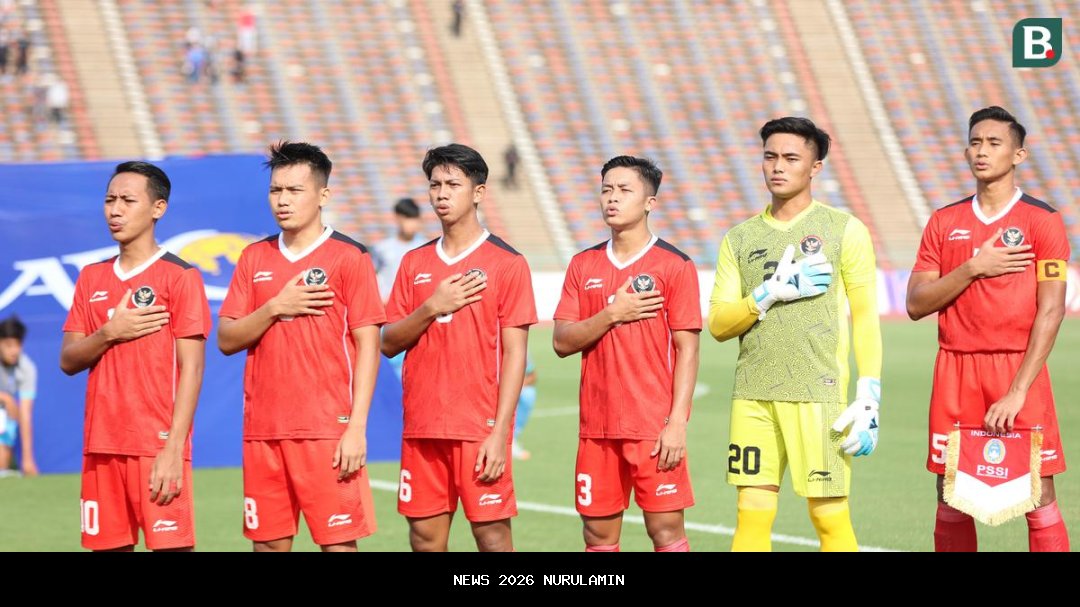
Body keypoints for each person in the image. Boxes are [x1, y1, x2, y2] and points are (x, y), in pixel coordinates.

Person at [707, 117, 881, 552]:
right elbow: (719, 325)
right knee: (751, 511)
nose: (777, 167)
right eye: (770, 156)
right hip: (753, 394)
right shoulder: (740, 238)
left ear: (815, 166)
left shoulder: (844, 230)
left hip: (818, 393)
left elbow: (865, 317)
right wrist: (764, 296)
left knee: (829, 515)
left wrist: (869, 394)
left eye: (790, 158)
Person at [907, 106, 1070, 552]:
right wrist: (974, 268)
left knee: (1037, 495)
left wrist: (1018, 390)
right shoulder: (944, 221)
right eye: (976, 142)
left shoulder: (1043, 221)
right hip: (955, 372)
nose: (982, 151)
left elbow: (1052, 310)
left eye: (994, 143)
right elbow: (916, 304)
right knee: (950, 496)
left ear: (1019, 154)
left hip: (1018, 370)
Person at [218, 141, 384, 553]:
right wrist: (275, 307)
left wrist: (356, 428)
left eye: (294, 190)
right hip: (263, 431)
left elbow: (368, 344)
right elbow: (227, 338)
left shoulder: (350, 257)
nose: (283, 200)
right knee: (269, 546)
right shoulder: (253, 257)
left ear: (323, 195)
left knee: (338, 545)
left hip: (327, 430)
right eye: (276, 190)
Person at [382, 143, 536, 552]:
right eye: (435, 185)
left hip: (479, 428)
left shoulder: (507, 263)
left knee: (492, 537)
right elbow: (388, 341)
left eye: (453, 184)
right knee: (425, 538)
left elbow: (516, 354)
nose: (442, 194)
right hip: (423, 426)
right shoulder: (413, 263)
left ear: (479, 193)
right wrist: (431, 307)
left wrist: (501, 432)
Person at [60, 162, 211, 551]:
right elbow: (69, 359)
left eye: (128, 200)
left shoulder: (180, 277)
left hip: (155, 446)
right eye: (110, 200)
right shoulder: (91, 277)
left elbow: (191, 369)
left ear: (158, 208)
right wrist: (110, 332)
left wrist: (174, 449)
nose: (115, 210)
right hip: (101, 447)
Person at [553, 155, 700, 552]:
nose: (611, 199)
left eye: (624, 190)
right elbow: (562, 342)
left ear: (650, 202)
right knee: (598, 537)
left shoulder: (674, 265)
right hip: (596, 430)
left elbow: (687, 349)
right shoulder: (583, 265)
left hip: (652, 428)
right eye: (606, 190)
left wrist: (677, 424)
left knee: (666, 533)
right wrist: (611, 314)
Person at [0, 315, 38, 476]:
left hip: (3, 416)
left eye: (18, 345)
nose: (14, 350)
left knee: (9, 415)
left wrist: (28, 460)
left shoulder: (27, 368)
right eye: (8, 345)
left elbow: (25, 415)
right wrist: (6, 398)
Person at [372, 197, 427, 303]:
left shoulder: (426, 248)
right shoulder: (381, 248)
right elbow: (372, 276)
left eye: (414, 219)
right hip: (386, 307)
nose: (411, 224)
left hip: (415, 308)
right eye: (407, 218)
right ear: (397, 218)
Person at [511, 356, 536, 461]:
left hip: (511, 387)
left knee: (528, 393)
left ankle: (512, 438)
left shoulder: (520, 346)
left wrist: (519, 386)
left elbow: (532, 375)